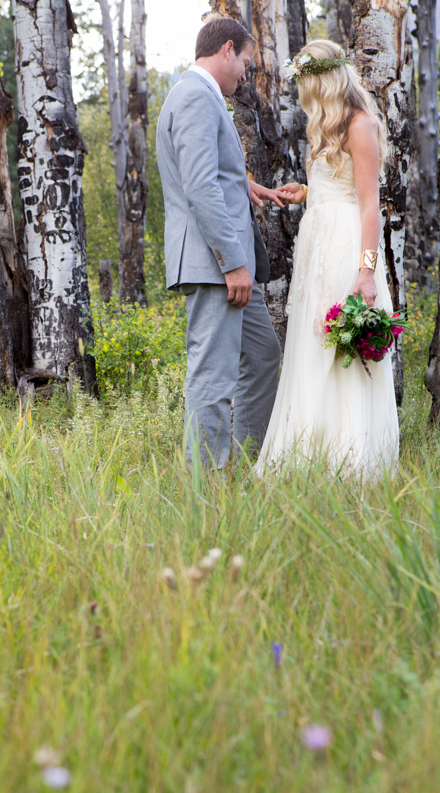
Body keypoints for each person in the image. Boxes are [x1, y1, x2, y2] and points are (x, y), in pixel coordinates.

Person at [257, 40, 399, 476]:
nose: (303, 95)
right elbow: (334, 186)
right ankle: (309, 462)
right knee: (312, 348)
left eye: (306, 84)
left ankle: (352, 465)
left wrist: (366, 273)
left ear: (324, 81)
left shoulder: (359, 125)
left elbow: (369, 205)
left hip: (345, 249)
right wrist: (307, 191)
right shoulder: (326, 128)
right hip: (316, 247)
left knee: (341, 353)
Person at [156, 16, 285, 467]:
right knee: (213, 374)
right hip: (216, 265)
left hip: (225, 264)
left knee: (264, 357)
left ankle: (246, 467)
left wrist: (247, 186)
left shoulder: (203, 95)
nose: (246, 73)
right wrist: (233, 261)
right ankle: (204, 488)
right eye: (246, 62)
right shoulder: (194, 95)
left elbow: (213, 174)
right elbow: (199, 186)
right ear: (227, 49)